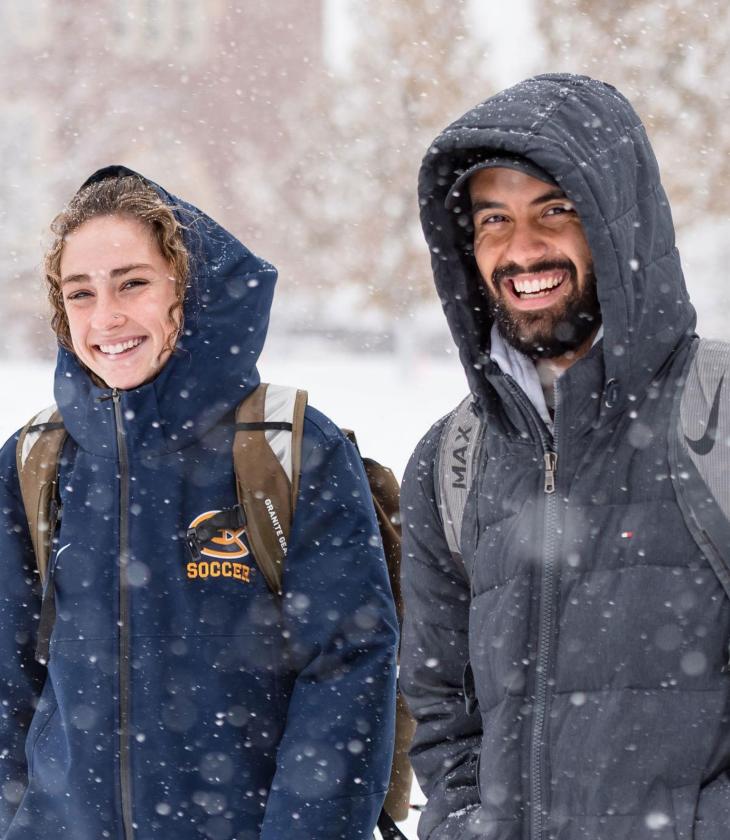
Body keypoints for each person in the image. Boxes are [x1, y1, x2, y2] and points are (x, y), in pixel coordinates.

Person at [0, 166, 398, 839]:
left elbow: (346, 675)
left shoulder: (285, 449)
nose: (107, 317)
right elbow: (7, 686)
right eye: (81, 293)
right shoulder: (37, 460)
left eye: (133, 283)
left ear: (188, 285)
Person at [400, 73, 730, 839]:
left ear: (618, 227)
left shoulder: (717, 413)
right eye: (493, 220)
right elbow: (441, 707)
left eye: (556, 210)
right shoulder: (451, 461)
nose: (522, 250)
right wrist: (463, 826)